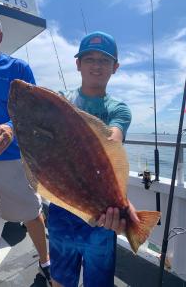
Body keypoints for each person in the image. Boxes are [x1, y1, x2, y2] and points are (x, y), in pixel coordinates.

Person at [48, 31, 140, 287]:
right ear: (78, 64)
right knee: (60, 279)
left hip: (102, 215)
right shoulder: (60, 101)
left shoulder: (118, 108)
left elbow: (113, 138)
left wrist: (120, 203)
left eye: (104, 60)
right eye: (89, 59)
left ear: (115, 67)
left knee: (98, 282)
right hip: (62, 206)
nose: (97, 66)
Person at [0, 4, 52, 285]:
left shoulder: (18, 68)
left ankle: (46, 263)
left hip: (10, 159)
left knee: (31, 214)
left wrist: (8, 128)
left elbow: (29, 114)